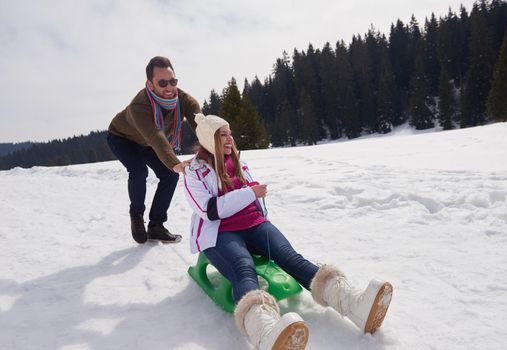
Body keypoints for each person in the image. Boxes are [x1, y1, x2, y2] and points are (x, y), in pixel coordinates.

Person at [183, 113, 393, 350]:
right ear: (209, 139)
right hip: (220, 234)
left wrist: (254, 200)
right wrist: (250, 193)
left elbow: (251, 195)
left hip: (255, 225)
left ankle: (354, 305)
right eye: (222, 135)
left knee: (290, 257)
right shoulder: (195, 171)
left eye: (230, 133)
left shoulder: (239, 162)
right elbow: (210, 209)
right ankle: (265, 332)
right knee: (244, 269)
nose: (229, 138)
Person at [107, 56, 201, 244]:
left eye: (173, 81)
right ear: (149, 84)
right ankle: (136, 217)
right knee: (139, 170)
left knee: (169, 175)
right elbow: (156, 137)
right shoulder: (139, 107)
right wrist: (175, 163)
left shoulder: (183, 100)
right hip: (122, 138)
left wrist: (218, 148)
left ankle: (156, 225)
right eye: (163, 82)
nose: (169, 87)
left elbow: (202, 125)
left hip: (146, 142)